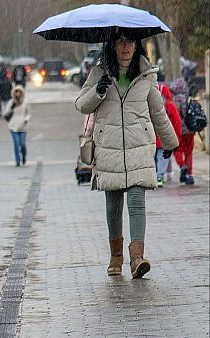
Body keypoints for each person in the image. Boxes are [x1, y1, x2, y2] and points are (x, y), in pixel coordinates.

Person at [76, 32, 178, 278]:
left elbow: (157, 110)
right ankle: (115, 256)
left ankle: (137, 258)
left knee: (136, 200)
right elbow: (81, 104)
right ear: (112, 45)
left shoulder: (147, 74)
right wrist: (97, 92)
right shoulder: (99, 73)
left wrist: (170, 141)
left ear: (137, 45)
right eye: (121, 41)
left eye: (131, 42)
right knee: (113, 206)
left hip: (138, 146)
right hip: (109, 147)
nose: (126, 47)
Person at [169, 78, 197, 185]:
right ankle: (189, 175)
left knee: (177, 150)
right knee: (189, 152)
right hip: (190, 130)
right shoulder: (188, 98)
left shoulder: (174, 100)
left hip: (179, 130)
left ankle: (182, 166)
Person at [154, 84, 182, 187]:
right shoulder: (170, 106)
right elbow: (177, 121)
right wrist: (176, 137)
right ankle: (159, 177)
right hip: (164, 137)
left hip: (152, 137)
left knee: (154, 158)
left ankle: (155, 176)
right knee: (162, 157)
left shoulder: (150, 105)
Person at [3, 85, 31, 166]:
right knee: (16, 143)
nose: (17, 93)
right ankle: (17, 160)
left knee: (22, 143)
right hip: (13, 125)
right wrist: (10, 109)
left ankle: (24, 156)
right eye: (16, 92)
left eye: (19, 92)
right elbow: (6, 112)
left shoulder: (25, 102)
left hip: (22, 126)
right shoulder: (11, 102)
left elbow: (28, 113)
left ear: (22, 93)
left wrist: (26, 120)